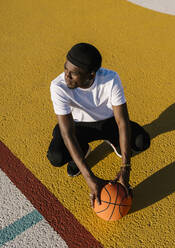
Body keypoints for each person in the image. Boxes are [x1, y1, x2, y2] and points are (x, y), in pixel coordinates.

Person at [46, 43, 150, 207]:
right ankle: (83, 150)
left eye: (73, 74)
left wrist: (125, 168)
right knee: (56, 156)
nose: (66, 76)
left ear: (91, 75)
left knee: (141, 142)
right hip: (79, 127)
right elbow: (67, 133)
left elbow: (122, 122)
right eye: (66, 69)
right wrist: (90, 178)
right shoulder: (58, 86)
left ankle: (112, 140)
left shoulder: (110, 79)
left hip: (108, 122)